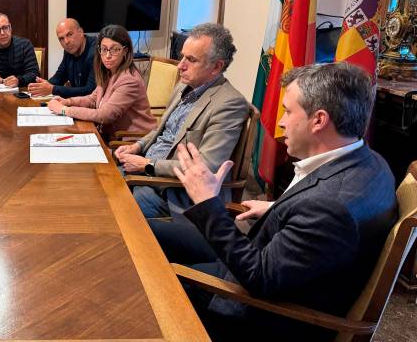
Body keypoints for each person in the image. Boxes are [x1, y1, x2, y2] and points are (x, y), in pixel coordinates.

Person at [152, 62, 398, 341]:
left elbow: (258, 278)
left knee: (159, 279)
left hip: (264, 314)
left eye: (287, 111)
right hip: (280, 261)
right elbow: (328, 227)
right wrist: (277, 208)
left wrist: (208, 201)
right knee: (152, 232)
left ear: (318, 120)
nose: (280, 122)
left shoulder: (329, 209)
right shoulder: (371, 162)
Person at [114, 23, 247, 218]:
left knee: (110, 210)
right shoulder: (183, 86)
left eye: (191, 60)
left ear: (216, 67)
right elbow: (162, 130)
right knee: (93, 183)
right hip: (142, 174)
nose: (180, 65)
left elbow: (206, 167)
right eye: (182, 56)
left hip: (170, 191)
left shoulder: (229, 104)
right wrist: (138, 145)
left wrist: (147, 164)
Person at [47, 24, 155, 139]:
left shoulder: (129, 80)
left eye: (115, 50)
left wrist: (64, 110)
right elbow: (93, 99)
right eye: (104, 49)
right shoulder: (108, 71)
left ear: (125, 51)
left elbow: (104, 115)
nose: (107, 56)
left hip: (130, 142)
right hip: (109, 135)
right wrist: (67, 101)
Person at [28, 18, 97, 98]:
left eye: (69, 34)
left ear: (81, 32)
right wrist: (43, 85)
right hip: (78, 104)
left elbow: (90, 90)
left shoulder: (95, 52)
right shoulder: (69, 51)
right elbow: (59, 77)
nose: (66, 42)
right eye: (61, 39)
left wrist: (52, 89)